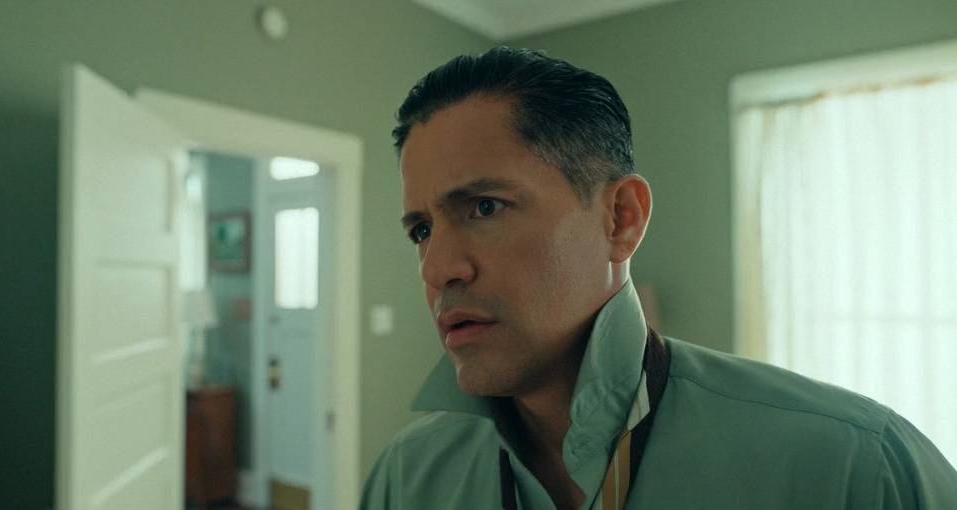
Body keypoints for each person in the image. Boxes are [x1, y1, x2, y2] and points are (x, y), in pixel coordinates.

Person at [360, 47, 957, 510]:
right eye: (421, 230)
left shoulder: (856, 468)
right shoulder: (405, 479)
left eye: (485, 207)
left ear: (621, 219)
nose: (437, 269)